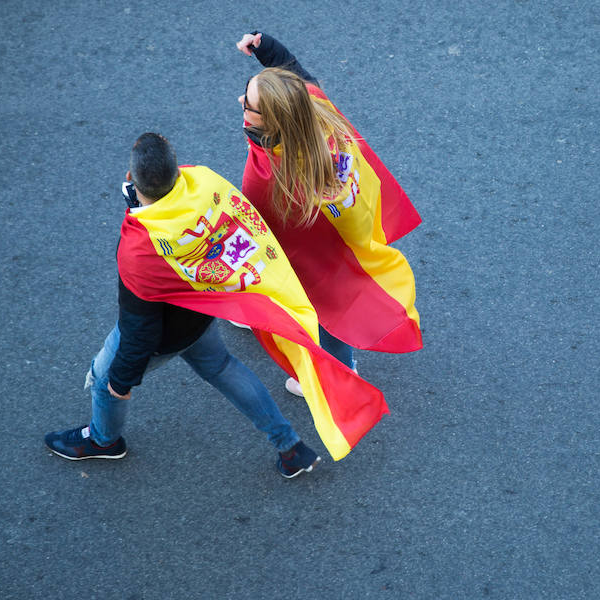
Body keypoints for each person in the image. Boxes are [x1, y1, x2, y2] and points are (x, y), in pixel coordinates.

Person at [44, 133, 323, 478]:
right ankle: (291, 447)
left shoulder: (140, 248)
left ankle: (104, 442)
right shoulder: (203, 182)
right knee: (222, 368)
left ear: (131, 179)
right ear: (178, 171)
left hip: (166, 332)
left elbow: (138, 330)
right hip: (201, 313)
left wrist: (121, 381)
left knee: (103, 381)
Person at [234, 31, 423, 398]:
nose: (241, 100)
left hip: (312, 260)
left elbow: (256, 234)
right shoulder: (315, 109)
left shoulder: (271, 180)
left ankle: (339, 365)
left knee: (324, 310)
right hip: (344, 236)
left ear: (272, 122)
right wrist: (266, 48)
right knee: (336, 301)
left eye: (250, 105)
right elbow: (294, 73)